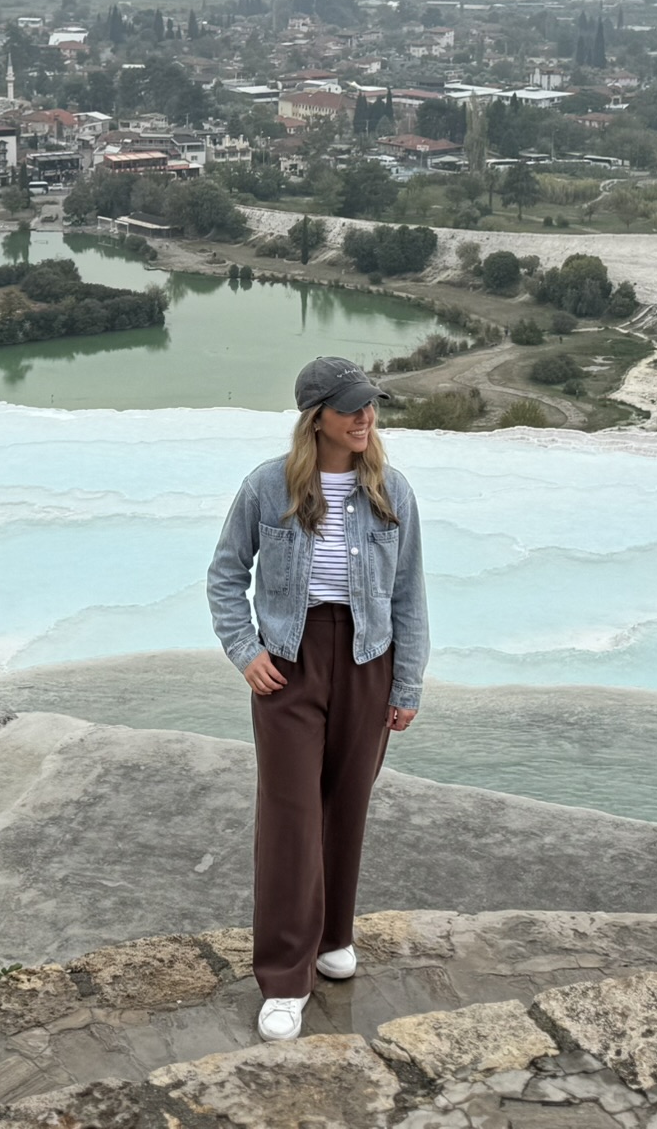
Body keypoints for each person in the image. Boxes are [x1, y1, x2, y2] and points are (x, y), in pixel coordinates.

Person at [207, 355, 429, 1042]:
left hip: (367, 660)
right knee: (291, 818)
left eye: (370, 406)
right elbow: (225, 576)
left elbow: (408, 594)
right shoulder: (266, 486)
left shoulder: (392, 490)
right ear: (317, 418)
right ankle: (284, 977)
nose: (366, 418)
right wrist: (246, 651)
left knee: (346, 806)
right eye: (351, 408)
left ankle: (334, 938)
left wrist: (406, 683)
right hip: (289, 664)